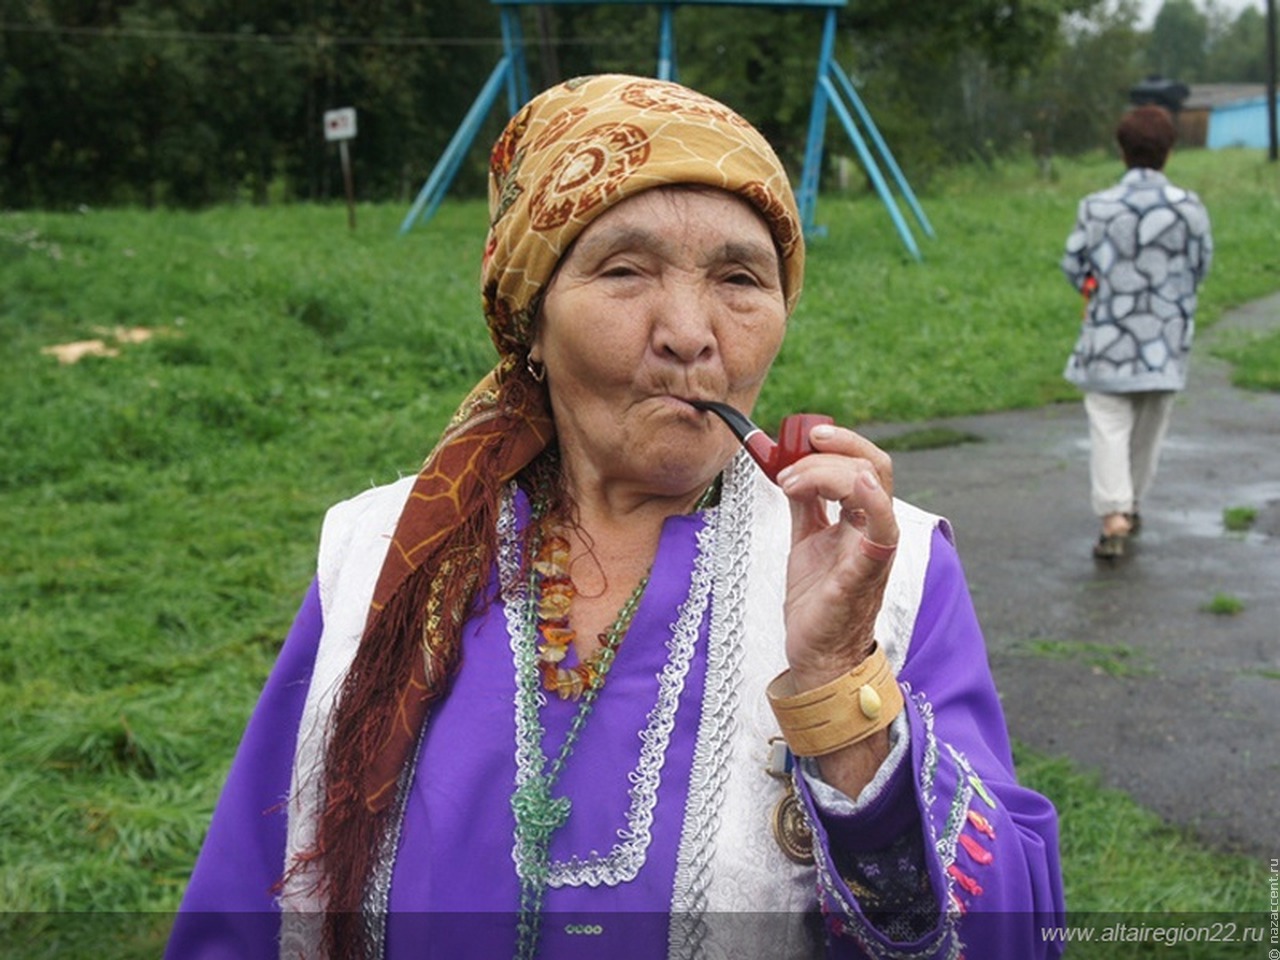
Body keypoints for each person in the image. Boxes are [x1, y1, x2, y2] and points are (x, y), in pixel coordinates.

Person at [167, 74, 1064, 959]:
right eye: (625, 270)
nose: (689, 331)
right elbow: (242, 907)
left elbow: (1006, 942)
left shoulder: (883, 570)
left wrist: (838, 686)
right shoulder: (380, 558)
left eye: (740, 278)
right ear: (529, 319)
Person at [1061, 104, 1213, 560]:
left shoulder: (1097, 207)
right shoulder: (1189, 208)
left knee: (1108, 426)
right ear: (1168, 151)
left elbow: (1074, 265)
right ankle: (1133, 503)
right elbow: (1200, 266)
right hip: (1164, 344)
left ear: (1121, 151)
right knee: (1149, 431)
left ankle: (1114, 518)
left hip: (1107, 340)